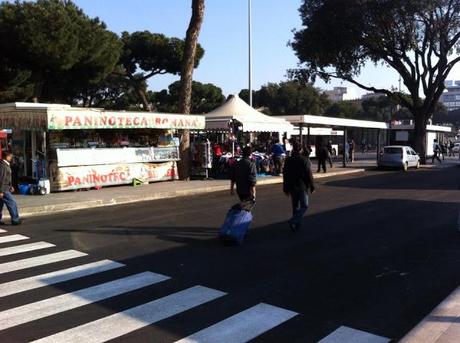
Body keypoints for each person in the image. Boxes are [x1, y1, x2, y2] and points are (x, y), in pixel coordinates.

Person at [283, 141, 315, 232]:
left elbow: (285, 174)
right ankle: (293, 221)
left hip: (292, 186)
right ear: (300, 149)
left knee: (295, 206)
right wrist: (312, 186)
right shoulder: (304, 159)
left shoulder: (288, 159)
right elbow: (309, 174)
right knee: (304, 205)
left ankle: (296, 225)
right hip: (302, 186)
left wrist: (285, 188)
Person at [0, 151, 22, 225]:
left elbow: (6, 178)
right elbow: (2, 179)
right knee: (12, 203)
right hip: (3, 189)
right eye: (10, 156)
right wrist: (1, 191)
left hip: (6, 187)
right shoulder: (3, 165)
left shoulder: (5, 164)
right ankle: (15, 219)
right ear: (6, 156)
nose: (11, 157)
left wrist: (10, 186)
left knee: (0, 204)